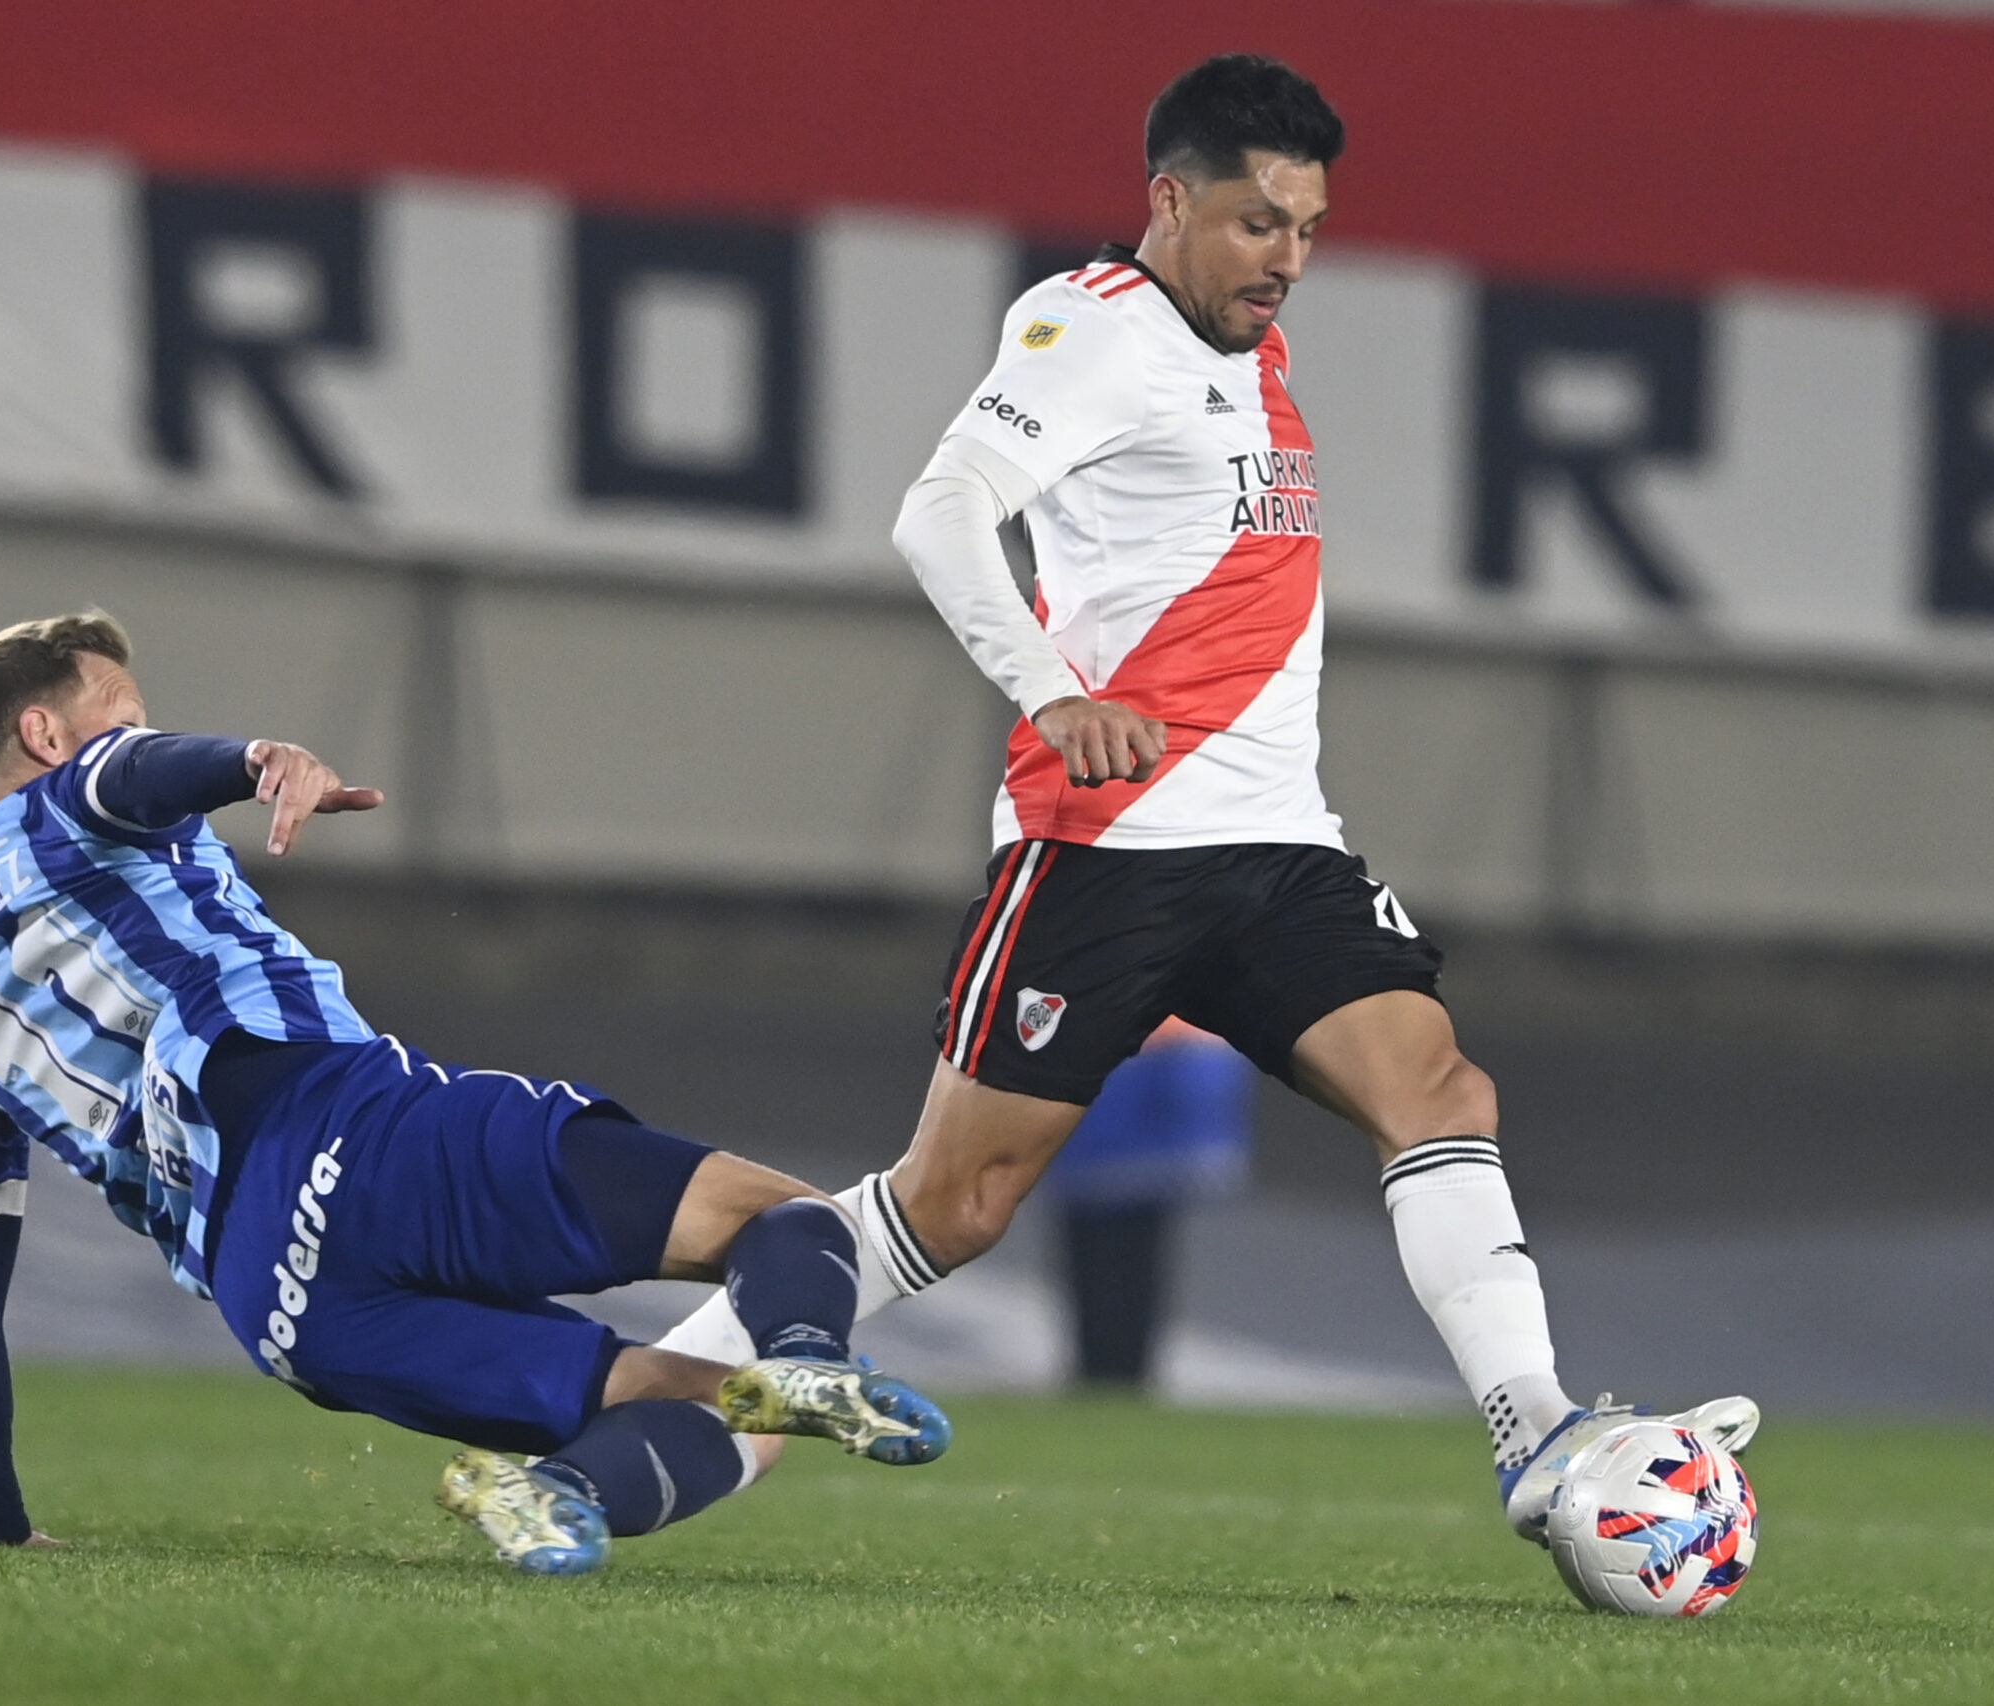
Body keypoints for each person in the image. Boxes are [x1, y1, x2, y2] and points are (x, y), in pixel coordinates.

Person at [657, 54, 1754, 1545]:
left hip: (1279, 845)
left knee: (1438, 1088)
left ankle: (1538, 1435)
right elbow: (940, 511)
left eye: (1307, 227)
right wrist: (1052, 691)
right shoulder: (1085, 330)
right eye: (1256, 223)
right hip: (1108, 848)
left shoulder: (1250, 344)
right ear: (1168, 200)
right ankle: (655, 1389)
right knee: (952, 1208)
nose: (1286, 258)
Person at [0, 613, 947, 1576]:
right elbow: (132, 773)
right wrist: (251, 759)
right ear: (44, 734)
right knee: (783, 1221)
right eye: (120, 711)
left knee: (718, 1404)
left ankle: (559, 1490)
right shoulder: (64, 805)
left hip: (275, 1301)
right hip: (340, 1129)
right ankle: (809, 1354)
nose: (134, 729)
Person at [1046, 1019, 1254, 1388]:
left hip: (1093, 1151)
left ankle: (1103, 1370)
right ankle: (1123, 1370)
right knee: (1132, 1271)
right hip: (1135, 1155)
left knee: (1100, 1271)